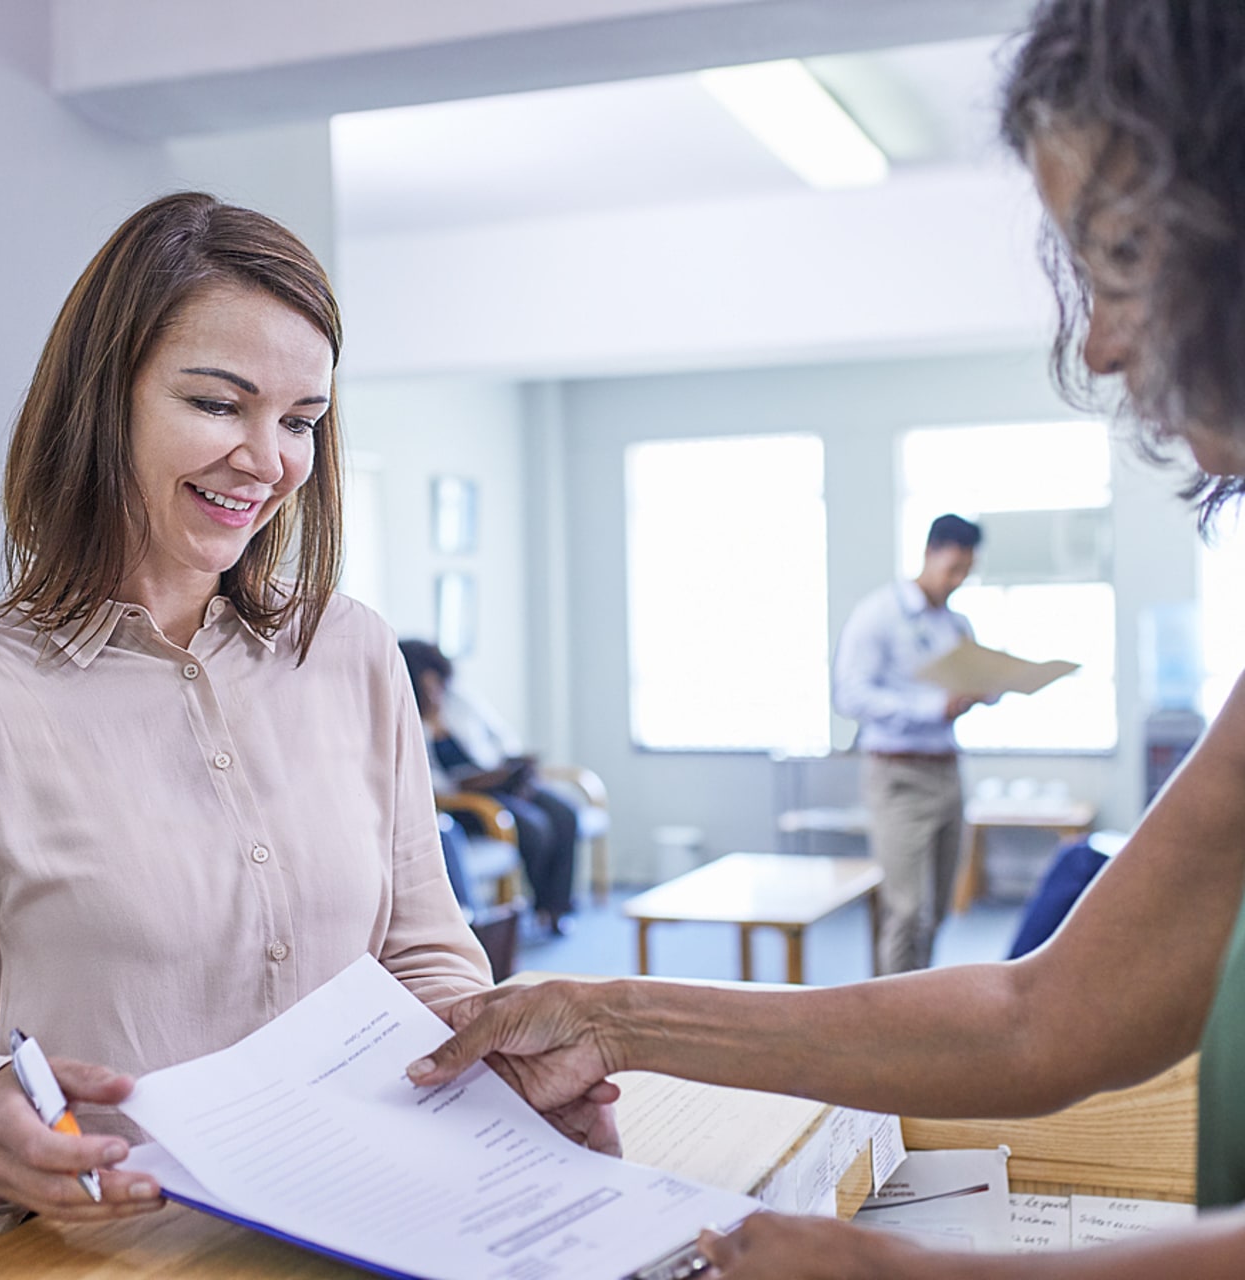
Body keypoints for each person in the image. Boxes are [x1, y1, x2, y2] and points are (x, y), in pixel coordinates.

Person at [407, 2, 1245, 1273]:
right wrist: (607, 1010)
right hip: (899, 766)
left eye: (1124, 255)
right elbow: (1038, 1013)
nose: (1100, 337)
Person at [0, 192, 610, 1250]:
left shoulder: (350, 650)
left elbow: (420, 946)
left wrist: (496, 1063)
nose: (268, 460)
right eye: (220, 404)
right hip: (117, 1256)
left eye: (301, 421)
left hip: (384, 1230)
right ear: (102, 399)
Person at [831, 513, 983, 975]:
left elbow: (969, 679)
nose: (957, 581)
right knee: (906, 910)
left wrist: (984, 689)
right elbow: (849, 694)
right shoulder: (879, 614)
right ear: (929, 553)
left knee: (936, 910)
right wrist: (930, 708)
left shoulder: (955, 624)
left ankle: (917, 1003)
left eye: (966, 572)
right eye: (952, 568)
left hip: (946, 771)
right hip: (898, 775)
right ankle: (887, 1022)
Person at [399, 639, 578, 936]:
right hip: (467, 800)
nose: (435, 691)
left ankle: (556, 908)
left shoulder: (459, 701)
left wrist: (510, 766)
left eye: (438, 682)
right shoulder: (407, 718)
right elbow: (429, 781)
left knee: (565, 813)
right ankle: (537, 909)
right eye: (426, 685)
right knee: (534, 828)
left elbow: (502, 737)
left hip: (503, 781)